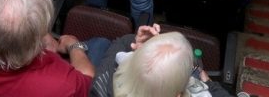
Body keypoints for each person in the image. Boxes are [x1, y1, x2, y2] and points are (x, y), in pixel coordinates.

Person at [91, 26, 231, 97]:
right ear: (178, 95)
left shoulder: (102, 83)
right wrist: (208, 83)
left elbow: (121, 41)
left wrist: (138, 50)